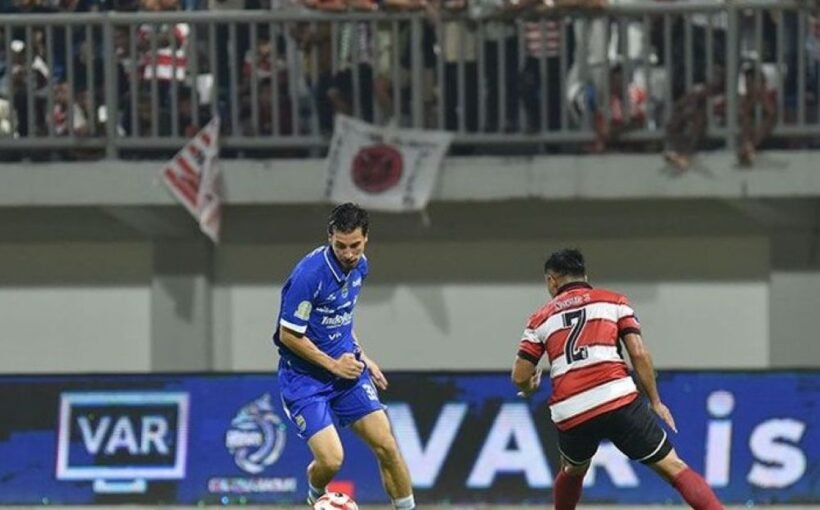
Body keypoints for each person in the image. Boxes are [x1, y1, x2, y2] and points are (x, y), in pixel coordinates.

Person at [511, 248, 723, 510]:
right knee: (673, 467)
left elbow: (520, 375)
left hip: (571, 409)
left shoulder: (539, 319)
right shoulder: (614, 301)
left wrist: (527, 387)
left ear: (551, 281)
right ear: (584, 275)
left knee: (572, 469)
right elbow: (639, 353)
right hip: (616, 398)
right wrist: (655, 401)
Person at [273, 203, 416, 510]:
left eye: (355, 245)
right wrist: (333, 364)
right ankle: (315, 492)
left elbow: (341, 319)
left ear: (366, 239)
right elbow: (288, 335)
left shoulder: (360, 266)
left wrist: (362, 355)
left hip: (347, 371)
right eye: (340, 246)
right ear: (330, 237)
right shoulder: (309, 275)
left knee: (387, 445)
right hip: (304, 380)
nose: (348, 254)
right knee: (331, 460)